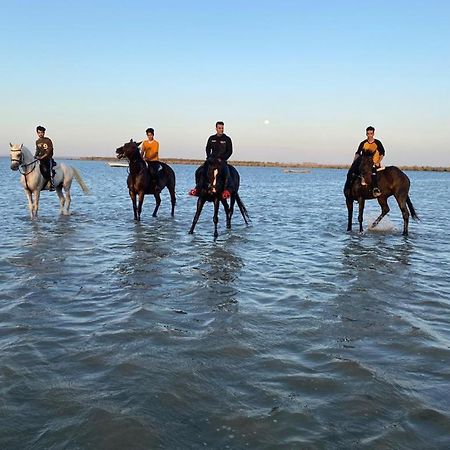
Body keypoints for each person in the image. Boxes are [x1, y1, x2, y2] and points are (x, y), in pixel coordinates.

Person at [189, 121, 233, 198]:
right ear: (216, 128)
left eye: (222, 128)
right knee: (199, 171)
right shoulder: (211, 138)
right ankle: (197, 188)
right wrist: (209, 157)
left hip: (222, 161)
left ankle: (226, 190)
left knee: (227, 173)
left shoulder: (227, 139)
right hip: (211, 160)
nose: (221, 130)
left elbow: (230, 151)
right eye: (219, 128)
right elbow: (207, 148)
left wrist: (223, 158)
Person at [353, 125, 385, 197]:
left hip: (375, 162)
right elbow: (358, 153)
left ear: (373, 134)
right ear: (366, 134)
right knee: (356, 171)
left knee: (373, 172)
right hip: (365, 163)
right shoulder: (363, 143)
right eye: (368, 133)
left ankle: (375, 189)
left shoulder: (377, 143)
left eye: (371, 133)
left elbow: (382, 153)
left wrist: (378, 162)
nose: (369, 135)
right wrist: (354, 162)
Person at [35, 125, 55, 190]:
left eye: (42, 132)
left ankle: (51, 184)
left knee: (48, 170)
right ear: (37, 133)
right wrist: (35, 156)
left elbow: (49, 150)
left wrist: (43, 157)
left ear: (44, 133)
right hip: (40, 159)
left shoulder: (48, 140)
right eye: (39, 132)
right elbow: (37, 150)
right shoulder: (37, 141)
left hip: (47, 158)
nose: (40, 134)